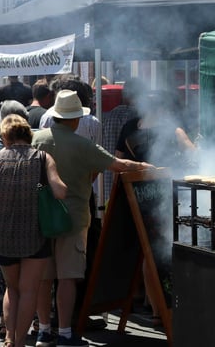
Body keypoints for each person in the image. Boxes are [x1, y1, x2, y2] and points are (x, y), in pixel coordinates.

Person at [32, 90, 153, 346]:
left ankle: (44, 329)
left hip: (40, 215)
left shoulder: (37, 139)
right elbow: (119, 165)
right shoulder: (82, 144)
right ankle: (65, 332)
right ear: (76, 119)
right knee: (67, 277)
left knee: (44, 277)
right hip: (73, 217)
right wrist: (145, 167)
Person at [0, 115, 67, 347]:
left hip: (3, 235)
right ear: (28, 135)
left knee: (11, 289)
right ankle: (19, 341)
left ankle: (8, 336)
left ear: (5, 136)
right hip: (35, 234)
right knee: (29, 291)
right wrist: (39, 186)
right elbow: (60, 192)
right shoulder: (43, 158)